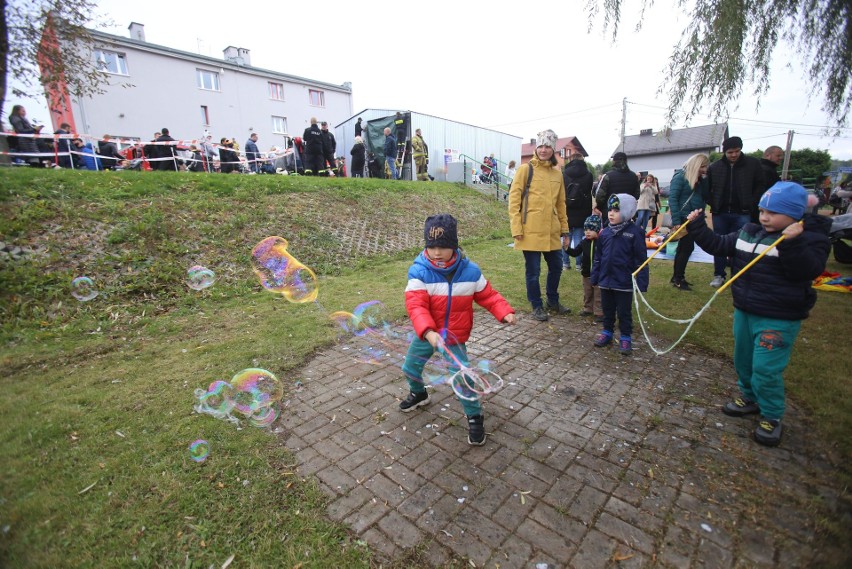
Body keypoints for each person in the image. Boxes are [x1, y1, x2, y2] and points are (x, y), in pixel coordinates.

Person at [684, 182, 831, 446]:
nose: (764, 217)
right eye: (762, 210)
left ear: (795, 214)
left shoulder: (809, 239)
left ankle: (772, 415)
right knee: (744, 360)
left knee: (766, 368)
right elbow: (718, 245)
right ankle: (749, 397)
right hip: (745, 310)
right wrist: (697, 226)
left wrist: (792, 242)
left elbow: (806, 270)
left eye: (773, 212)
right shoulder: (749, 232)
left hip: (778, 317)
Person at [399, 214, 516, 446]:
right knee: (410, 367)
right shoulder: (419, 271)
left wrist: (504, 311)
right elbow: (416, 305)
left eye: (442, 246)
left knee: (463, 378)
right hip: (428, 334)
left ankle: (475, 416)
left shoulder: (470, 271)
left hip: (453, 337)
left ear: (454, 245)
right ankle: (419, 393)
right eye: (431, 246)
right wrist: (428, 331)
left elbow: (488, 295)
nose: (436, 252)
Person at [508, 129, 571, 321]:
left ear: (553, 149)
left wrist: (565, 231)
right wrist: (517, 229)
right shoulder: (526, 170)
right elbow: (514, 201)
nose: (543, 150)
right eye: (541, 146)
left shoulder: (557, 174)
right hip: (530, 231)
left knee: (557, 267)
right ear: (536, 148)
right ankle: (537, 305)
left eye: (548, 146)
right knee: (533, 271)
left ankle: (552, 300)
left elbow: (561, 204)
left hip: (551, 231)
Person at [591, 194, 649, 355]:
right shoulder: (604, 233)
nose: (611, 213)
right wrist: (595, 276)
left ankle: (625, 337)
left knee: (624, 311)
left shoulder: (635, 233)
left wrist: (642, 282)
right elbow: (598, 257)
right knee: (607, 309)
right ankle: (607, 332)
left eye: (616, 210)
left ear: (628, 211)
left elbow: (641, 260)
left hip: (623, 282)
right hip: (606, 280)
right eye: (610, 210)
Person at [706, 136, 765, 287]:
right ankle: (719, 274)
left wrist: (752, 203)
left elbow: (760, 185)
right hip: (720, 213)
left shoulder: (753, 164)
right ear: (724, 152)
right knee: (719, 244)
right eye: (730, 152)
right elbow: (707, 189)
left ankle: (738, 274)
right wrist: (713, 203)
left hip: (743, 212)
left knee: (741, 244)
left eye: (737, 151)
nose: (734, 155)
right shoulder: (715, 167)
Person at [668, 154, 710, 291]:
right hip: (683, 218)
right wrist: (676, 221)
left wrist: (703, 180)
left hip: (694, 217)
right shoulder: (680, 177)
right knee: (686, 248)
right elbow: (673, 198)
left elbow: (705, 195)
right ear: (696, 165)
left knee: (684, 248)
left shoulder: (699, 179)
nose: (705, 169)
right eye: (702, 166)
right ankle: (678, 278)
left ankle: (677, 277)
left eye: (706, 167)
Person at [564, 214, 603, 321]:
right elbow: (575, 252)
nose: (587, 232)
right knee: (587, 292)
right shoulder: (584, 242)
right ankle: (588, 309)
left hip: (599, 274)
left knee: (598, 294)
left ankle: (599, 312)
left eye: (591, 229)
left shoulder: (601, 242)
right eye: (586, 229)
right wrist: (567, 248)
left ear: (597, 229)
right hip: (586, 274)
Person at [562, 152, 594, 270]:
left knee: (566, 237)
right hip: (583, 209)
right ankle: (579, 264)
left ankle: (565, 263)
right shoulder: (588, 174)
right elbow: (589, 189)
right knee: (579, 237)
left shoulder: (564, 174)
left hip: (567, 208)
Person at [595, 152, 640, 220]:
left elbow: (599, 197)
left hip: (610, 213)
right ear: (626, 161)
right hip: (627, 213)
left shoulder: (607, 176)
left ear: (614, 162)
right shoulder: (634, 176)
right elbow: (637, 195)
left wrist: (601, 208)